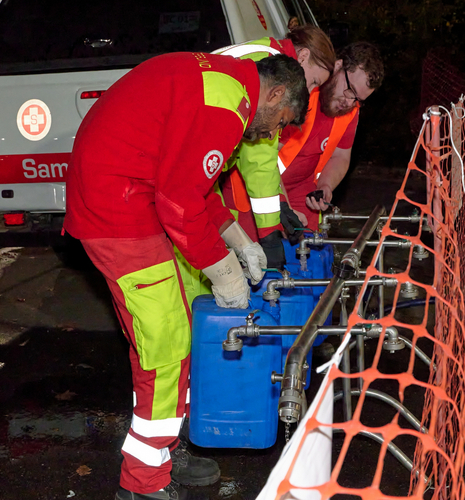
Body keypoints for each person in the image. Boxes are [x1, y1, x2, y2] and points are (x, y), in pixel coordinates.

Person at [63, 53, 309, 500]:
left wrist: (236, 237)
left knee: (174, 335)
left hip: (126, 193)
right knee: (168, 345)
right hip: (119, 207)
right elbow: (178, 198)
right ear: (273, 94)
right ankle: (142, 483)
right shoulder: (226, 106)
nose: (273, 132)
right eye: (280, 121)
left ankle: (167, 448)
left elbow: (192, 183)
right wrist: (223, 270)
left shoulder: (224, 84)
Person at [213, 26, 336, 268]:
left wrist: (279, 204)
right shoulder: (270, 70)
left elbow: (261, 157)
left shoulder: (268, 55)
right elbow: (258, 158)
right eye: (313, 82)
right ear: (302, 57)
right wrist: (269, 234)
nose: (310, 93)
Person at [278, 42, 384, 231]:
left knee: (309, 250)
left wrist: (326, 185)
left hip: (303, 189)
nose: (349, 102)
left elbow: (340, 156)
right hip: (260, 183)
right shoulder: (302, 87)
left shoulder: (350, 111)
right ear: (338, 66)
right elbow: (261, 158)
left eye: (358, 99)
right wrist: (282, 203)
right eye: (350, 90)